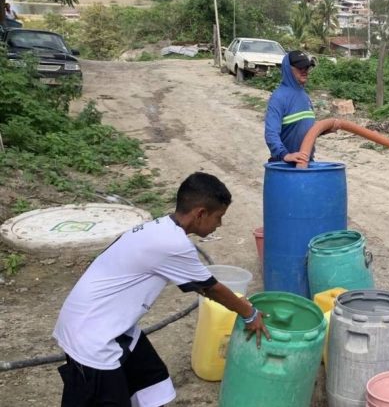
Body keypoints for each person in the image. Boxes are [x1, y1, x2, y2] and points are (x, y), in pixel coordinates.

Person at [53, 172, 270, 406]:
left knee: (152, 381)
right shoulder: (173, 244)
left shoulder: (161, 229)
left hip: (114, 327)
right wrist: (250, 313)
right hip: (91, 337)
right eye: (219, 217)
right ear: (200, 214)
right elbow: (211, 289)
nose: (219, 224)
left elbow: (201, 285)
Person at [264, 50, 318, 164]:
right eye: (300, 68)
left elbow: (305, 130)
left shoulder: (305, 97)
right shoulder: (278, 98)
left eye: (307, 67)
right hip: (285, 167)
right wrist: (285, 155)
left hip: (305, 163)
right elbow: (271, 133)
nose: (305, 71)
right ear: (288, 69)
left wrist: (325, 129)